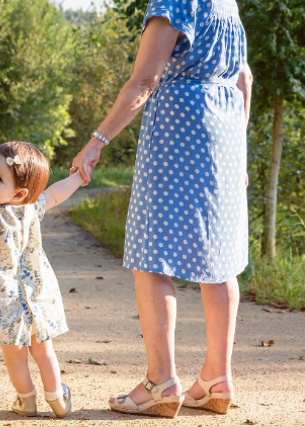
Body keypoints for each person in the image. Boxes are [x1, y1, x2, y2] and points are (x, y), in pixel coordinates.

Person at [71, 0, 252, 419]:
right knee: (220, 259)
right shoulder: (228, 4)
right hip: (225, 130)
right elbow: (244, 77)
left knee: (154, 254)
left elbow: (145, 80)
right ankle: (216, 379)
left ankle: (161, 382)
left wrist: (97, 140)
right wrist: (238, 151)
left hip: (179, 128)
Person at [0, 142, 84, 418]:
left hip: (4, 299)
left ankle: (27, 400)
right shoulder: (32, 208)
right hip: (35, 294)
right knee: (43, 350)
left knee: (15, 356)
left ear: (20, 193)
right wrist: (78, 177)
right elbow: (55, 194)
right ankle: (57, 396)